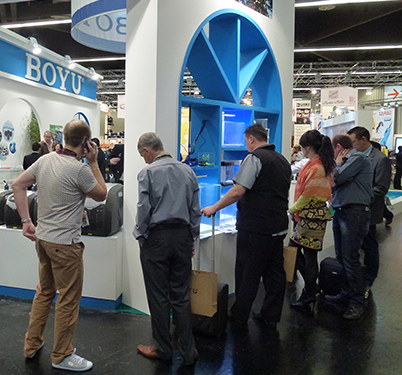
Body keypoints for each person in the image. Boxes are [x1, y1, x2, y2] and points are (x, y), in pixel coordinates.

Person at [11, 120, 107, 372]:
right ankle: (62, 354)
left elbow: (17, 185)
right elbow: (101, 194)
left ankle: (31, 345)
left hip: (43, 240)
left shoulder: (45, 160)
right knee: (68, 299)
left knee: (44, 292)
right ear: (85, 142)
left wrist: (26, 222)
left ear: (63, 137)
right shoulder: (80, 169)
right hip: (66, 244)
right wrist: (94, 162)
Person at [202, 124, 291, 329]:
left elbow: (238, 190)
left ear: (251, 139)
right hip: (278, 225)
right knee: (275, 273)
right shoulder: (282, 160)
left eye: (245, 141)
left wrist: (214, 207)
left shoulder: (254, 158)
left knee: (247, 273)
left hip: (256, 227)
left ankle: (239, 315)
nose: (246, 145)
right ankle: (270, 315)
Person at [134, 132, 200, 365]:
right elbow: (195, 210)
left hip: (157, 239)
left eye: (142, 155)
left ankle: (163, 349)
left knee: (158, 296)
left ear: (147, 150)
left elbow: (144, 209)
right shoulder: (188, 171)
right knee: (181, 295)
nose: (144, 159)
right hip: (182, 237)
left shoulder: (148, 173)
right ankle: (188, 350)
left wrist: (140, 235)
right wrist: (192, 238)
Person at [326, 135, 373, 319]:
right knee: (341, 256)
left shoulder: (357, 158)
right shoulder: (349, 161)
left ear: (338, 147)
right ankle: (346, 293)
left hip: (354, 213)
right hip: (342, 211)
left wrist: (337, 165)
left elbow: (338, 178)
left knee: (350, 258)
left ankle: (356, 302)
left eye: (332, 150)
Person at [287, 130, 334, 309]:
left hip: (311, 216)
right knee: (304, 253)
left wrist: (293, 209)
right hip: (311, 216)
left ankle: (310, 290)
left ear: (308, 147)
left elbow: (308, 195)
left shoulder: (316, 168)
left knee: (306, 254)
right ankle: (311, 287)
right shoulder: (318, 164)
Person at [347, 127, 391, 299]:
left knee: (369, 246)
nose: (351, 146)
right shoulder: (352, 156)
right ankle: (353, 282)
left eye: (354, 142)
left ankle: (368, 281)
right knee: (352, 249)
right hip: (352, 212)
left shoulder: (380, 159)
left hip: (369, 211)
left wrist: (358, 195)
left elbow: (381, 188)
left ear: (364, 140)